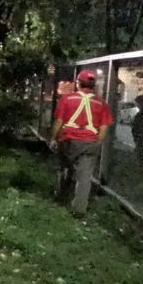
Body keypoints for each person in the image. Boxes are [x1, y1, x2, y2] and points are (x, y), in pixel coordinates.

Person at [48, 70, 113, 216]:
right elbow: (103, 127)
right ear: (93, 85)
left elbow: (59, 121)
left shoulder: (67, 99)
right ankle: (79, 210)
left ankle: (60, 197)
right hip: (90, 142)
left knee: (64, 168)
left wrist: (53, 138)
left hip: (68, 141)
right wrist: (98, 142)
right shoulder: (102, 104)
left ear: (78, 83)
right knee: (84, 177)